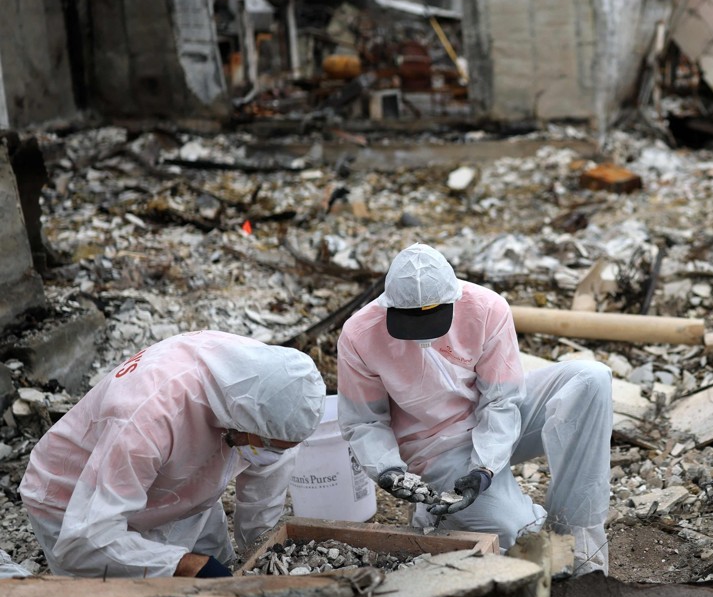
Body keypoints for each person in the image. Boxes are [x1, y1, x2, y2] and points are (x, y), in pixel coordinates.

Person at [337, 243, 613, 575]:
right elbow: (365, 421)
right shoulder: (359, 334)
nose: (423, 336)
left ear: (452, 300)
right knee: (523, 537)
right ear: (389, 305)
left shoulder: (486, 308)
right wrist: (388, 470)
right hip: (438, 447)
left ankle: (576, 533)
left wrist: (483, 470)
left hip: (501, 418)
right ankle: (440, 514)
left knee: (589, 378)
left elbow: (502, 399)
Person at [19, 330, 326, 578]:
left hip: (182, 493)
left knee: (222, 575)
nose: (268, 454)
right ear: (244, 419)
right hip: (78, 505)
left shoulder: (261, 385)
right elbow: (85, 541)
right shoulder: (148, 416)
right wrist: (185, 566)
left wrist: (259, 556)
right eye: (267, 445)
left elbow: (267, 471)